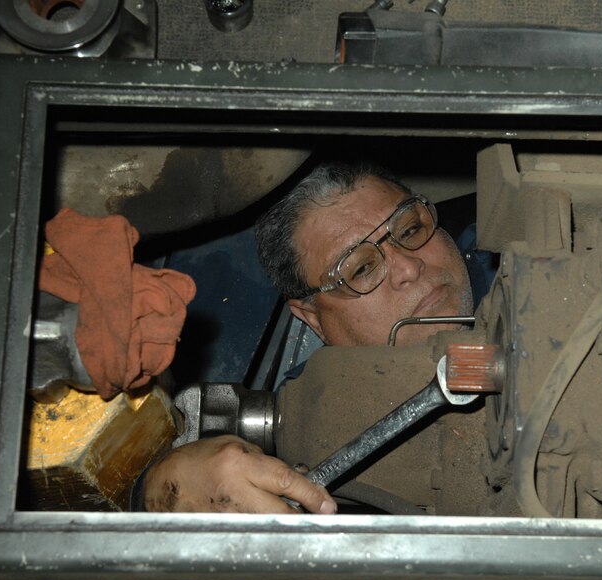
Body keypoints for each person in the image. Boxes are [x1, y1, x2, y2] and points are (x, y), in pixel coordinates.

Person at [141, 161, 480, 514]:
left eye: (409, 230)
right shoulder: (310, 428)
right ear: (313, 318)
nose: (410, 268)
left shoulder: (520, 261)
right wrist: (154, 492)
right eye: (361, 269)